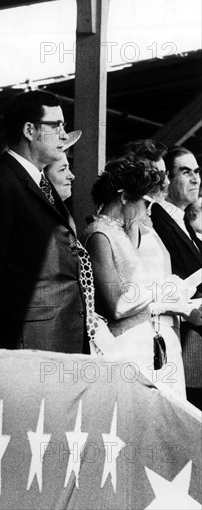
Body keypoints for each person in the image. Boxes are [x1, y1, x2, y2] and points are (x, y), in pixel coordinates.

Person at [0, 90, 84, 352]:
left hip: (54, 335)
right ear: (30, 130)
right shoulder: (0, 184)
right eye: (56, 126)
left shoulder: (38, 180)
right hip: (25, 341)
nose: (64, 135)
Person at [84, 157, 191, 395]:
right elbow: (117, 304)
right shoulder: (99, 235)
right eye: (145, 202)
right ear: (124, 197)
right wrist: (164, 288)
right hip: (123, 347)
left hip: (142, 343)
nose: (148, 211)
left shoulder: (118, 232)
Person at [151, 147, 202, 408]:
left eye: (196, 171)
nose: (195, 179)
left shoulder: (183, 222)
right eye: (185, 171)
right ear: (167, 179)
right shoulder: (157, 220)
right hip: (181, 341)